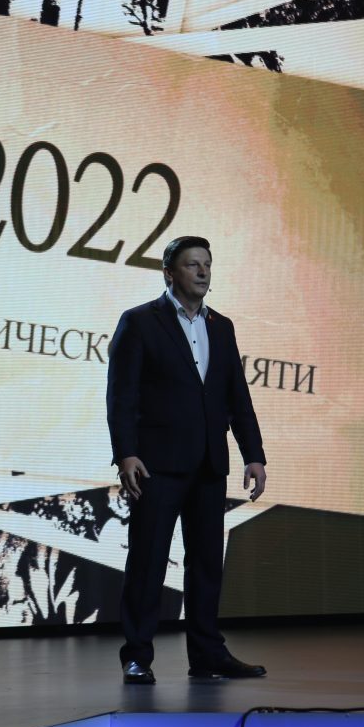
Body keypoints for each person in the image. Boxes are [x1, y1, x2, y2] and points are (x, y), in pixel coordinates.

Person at [107, 236, 266, 684]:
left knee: (206, 564)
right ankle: (137, 656)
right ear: (169, 273)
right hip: (156, 465)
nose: (202, 272)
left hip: (209, 465)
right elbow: (121, 396)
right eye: (192, 264)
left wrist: (254, 455)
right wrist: (126, 453)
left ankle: (208, 655)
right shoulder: (140, 321)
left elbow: (237, 397)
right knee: (148, 563)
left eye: (207, 264)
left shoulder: (222, 326)